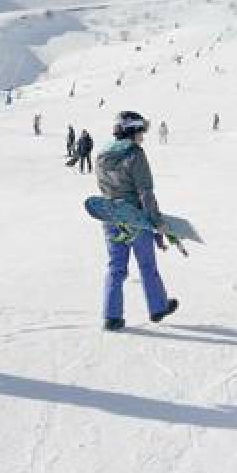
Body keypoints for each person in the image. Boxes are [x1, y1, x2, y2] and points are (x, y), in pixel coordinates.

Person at [95, 111, 178, 331]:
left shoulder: (102, 155)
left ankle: (111, 316)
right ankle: (157, 307)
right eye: (141, 131)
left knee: (116, 266)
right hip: (136, 219)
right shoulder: (135, 154)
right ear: (132, 130)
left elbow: (104, 188)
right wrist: (156, 221)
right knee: (147, 264)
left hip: (111, 216)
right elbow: (145, 191)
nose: (143, 136)